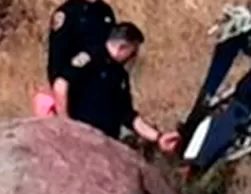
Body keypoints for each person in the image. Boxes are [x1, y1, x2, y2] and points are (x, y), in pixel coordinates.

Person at [53, 22, 181, 154]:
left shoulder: (120, 75)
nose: (133, 58)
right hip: (80, 140)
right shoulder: (90, 58)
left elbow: (128, 116)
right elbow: (60, 85)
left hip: (106, 144)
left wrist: (158, 138)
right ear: (122, 47)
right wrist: (67, 126)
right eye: (132, 52)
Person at [34, 0, 117, 117]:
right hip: (74, 83)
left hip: (100, 84)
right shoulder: (67, 14)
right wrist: (60, 90)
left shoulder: (105, 12)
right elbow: (56, 59)